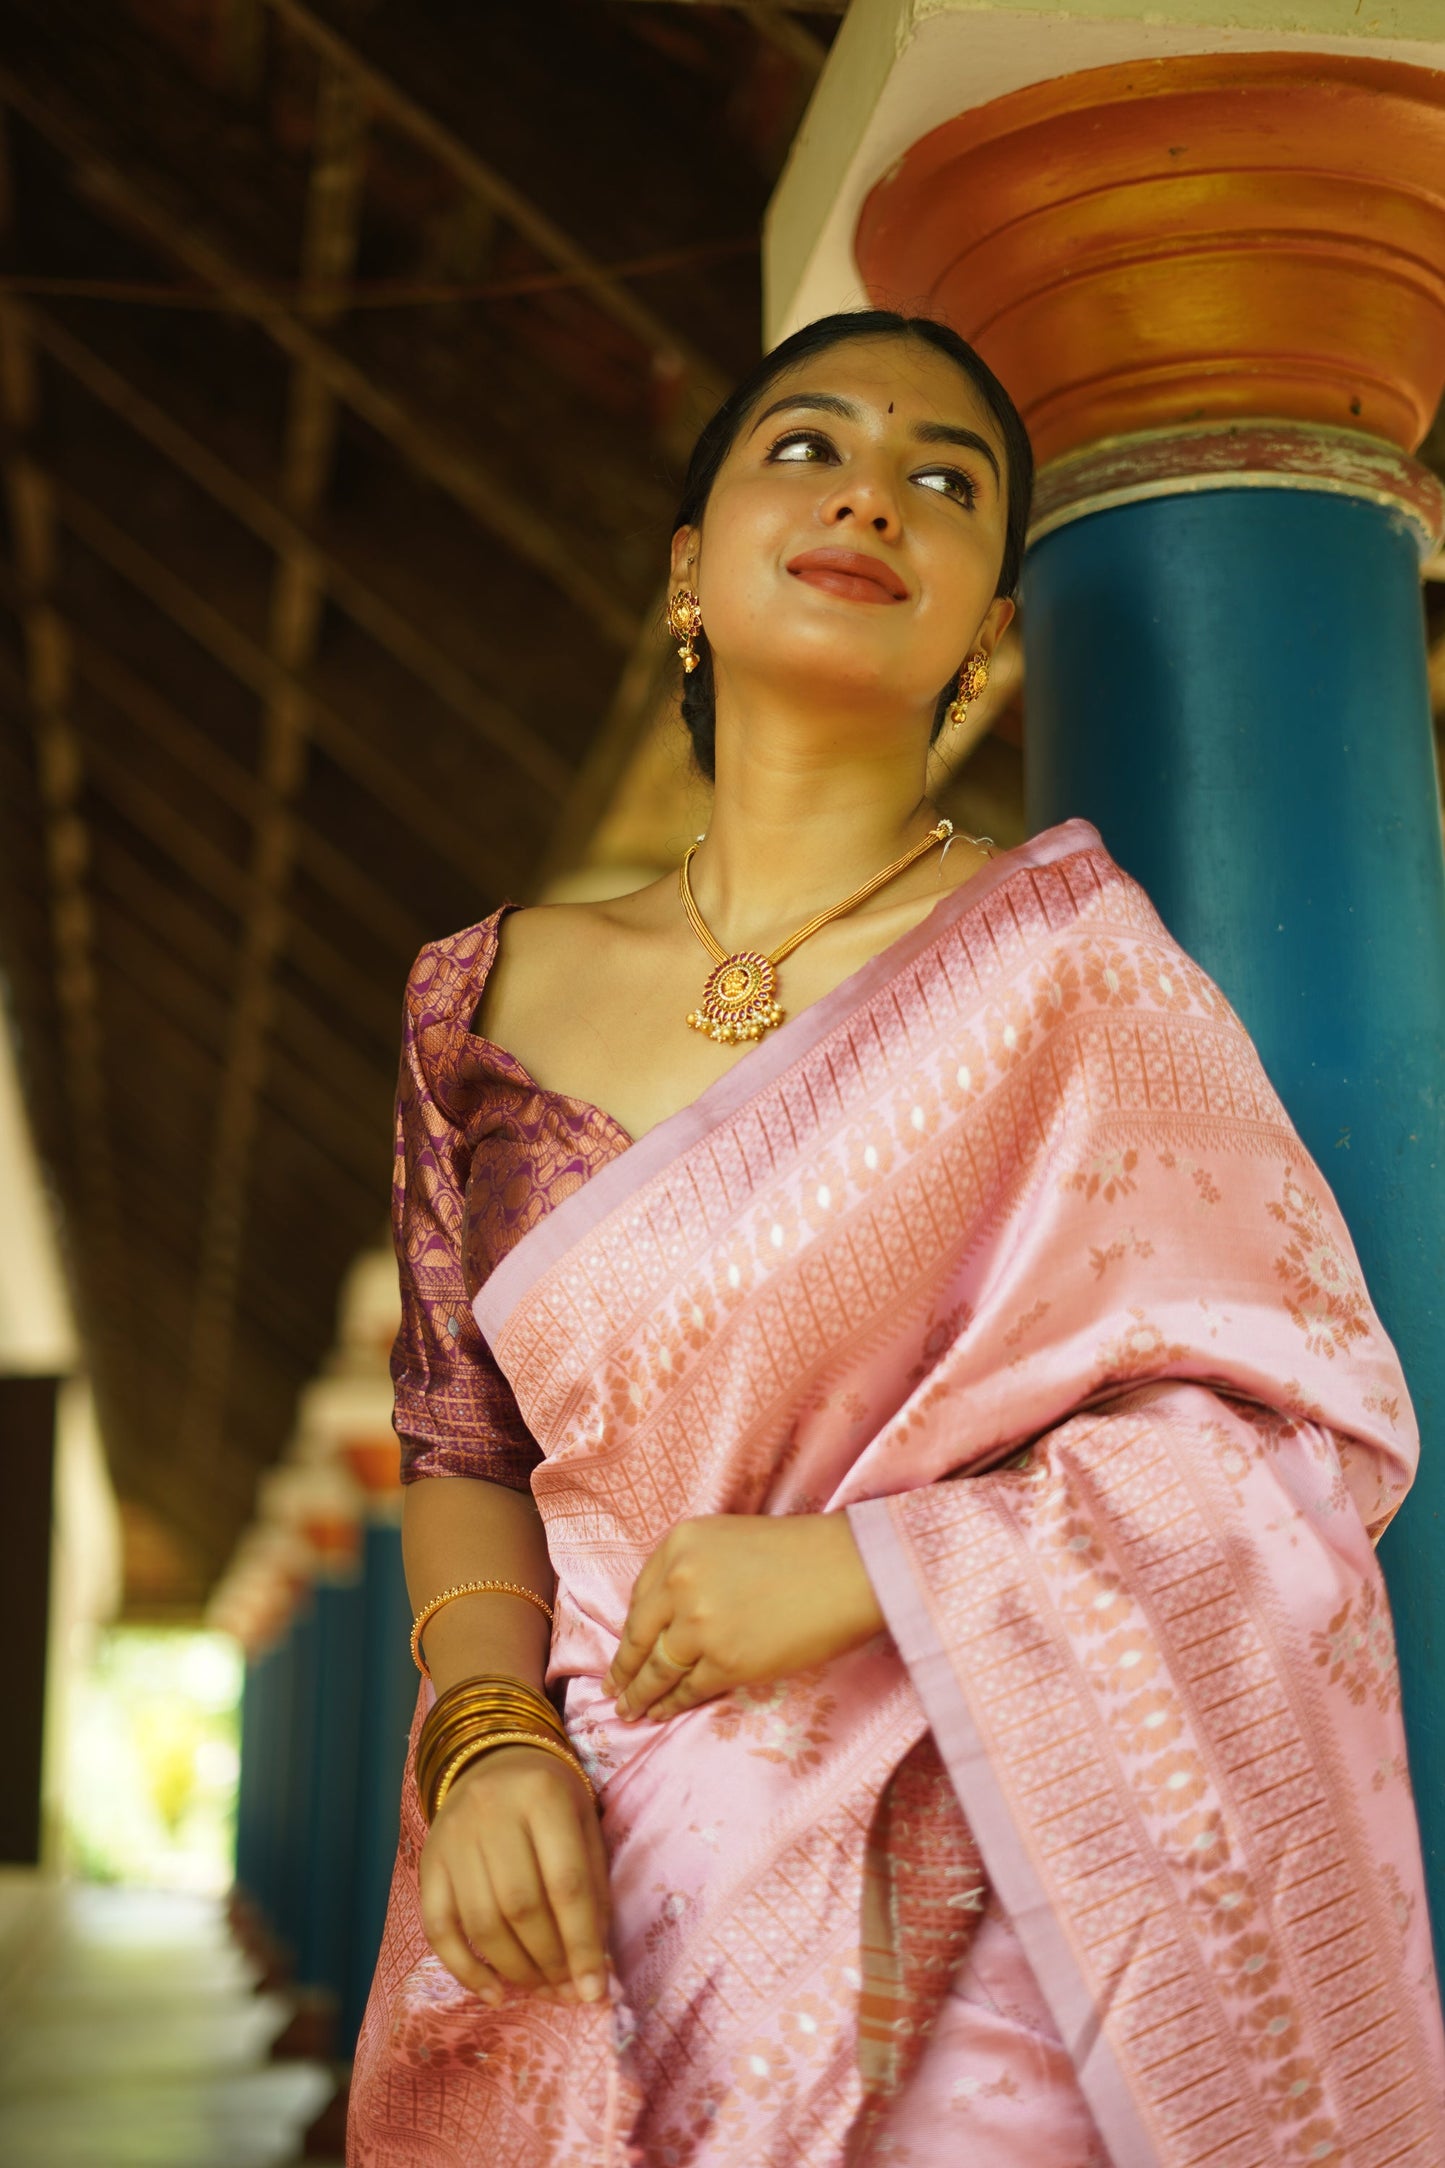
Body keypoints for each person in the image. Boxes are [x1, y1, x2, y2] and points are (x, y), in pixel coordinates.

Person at [346, 310, 1445, 2167]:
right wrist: (485, 1737)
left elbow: (1301, 1436)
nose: (874, 491)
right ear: (687, 567)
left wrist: (876, 1570)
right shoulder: (476, 999)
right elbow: (464, 1445)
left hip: (966, 1895)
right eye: (807, 445)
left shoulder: (1070, 981)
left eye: (946, 483)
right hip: (580, 1855)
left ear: (986, 639)